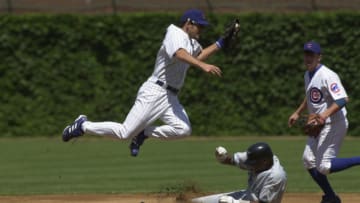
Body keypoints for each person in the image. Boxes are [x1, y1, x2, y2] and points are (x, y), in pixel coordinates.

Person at [62, 9, 228, 157]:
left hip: (170, 97)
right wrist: (203, 66)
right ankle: (83, 125)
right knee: (124, 132)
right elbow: (179, 54)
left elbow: (197, 57)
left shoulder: (190, 41)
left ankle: (144, 133)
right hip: (155, 92)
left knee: (183, 129)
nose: (202, 29)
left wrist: (221, 42)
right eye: (199, 26)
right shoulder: (175, 32)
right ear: (188, 23)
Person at [288, 41, 360, 203]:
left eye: (312, 55)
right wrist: (298, 112)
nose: (308, 57)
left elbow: (342, 99)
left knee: (324, 166)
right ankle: (331, 197)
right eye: (306, 54)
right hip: (319, 125)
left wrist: (324, 115)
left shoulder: (327, 75)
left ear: (319, 57)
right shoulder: (307, 75)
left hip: (334, 124)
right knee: (308, 160)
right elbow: (310, 97)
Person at [192, 142, 287, 203]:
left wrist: (236, 202)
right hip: (248, 195)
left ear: (265, 161)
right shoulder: (255, 157)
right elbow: (232, 160)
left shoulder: (276, 176)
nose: (251, 165)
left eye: (254, 163)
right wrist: (223, 158)